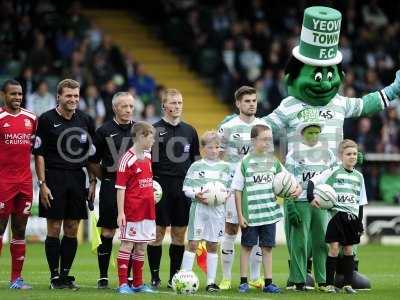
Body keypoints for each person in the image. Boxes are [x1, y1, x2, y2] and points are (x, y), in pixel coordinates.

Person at [33, 79, 96, 290]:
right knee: (54, 227)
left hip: (78, 178)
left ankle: (65, 276)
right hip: (54, 178)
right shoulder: (46, 119)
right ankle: (54, 276)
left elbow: (90, 156)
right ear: (58, 96)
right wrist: (42, 183)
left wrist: (93, 181)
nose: (73, 99)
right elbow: (39, 154)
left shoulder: (86, 120)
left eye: (76, 96)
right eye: (69, 95)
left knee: (72, 228)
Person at [231, 124, 301, 294]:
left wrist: (296, 189)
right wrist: (240, 215)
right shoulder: (244, 163)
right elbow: (237, 191)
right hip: (251, 215)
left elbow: (288, 179)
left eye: (270, 139)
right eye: (264, 139)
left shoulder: (273, 161)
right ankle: (243, 282)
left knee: (267, 248)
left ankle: (268, 282)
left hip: (269, 214)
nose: (268, 142)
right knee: (247, 247)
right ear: (253, 140)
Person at [147, 88, 200, 288]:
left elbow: (196, 162)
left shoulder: (190, 131)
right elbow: (147, 162)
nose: (177, 106)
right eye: (173, 103)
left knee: (179, 234)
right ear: (164, 106)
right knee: (158, 233)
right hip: (160, 188)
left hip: (183, 188)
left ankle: (174, 277)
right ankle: (154, 276)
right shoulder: (153, 130)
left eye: (180, 103)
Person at [218, 86, 268, 290]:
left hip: (257, 187)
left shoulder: (264, 126)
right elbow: (218, 158)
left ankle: (255, 277)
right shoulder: (228, 126)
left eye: (254, 100)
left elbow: (267, 157)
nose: (252, 104)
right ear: (238, 103)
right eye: (247, 101)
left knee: (256, 230)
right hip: (233, 187)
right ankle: (226, 277)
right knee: (231, 229)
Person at [308, 139, 367, 294]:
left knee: (348, 250)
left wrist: (360, 223)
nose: (352, 157)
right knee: (334, 248)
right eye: (348, 154)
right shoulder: (333, 172)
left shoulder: (359, 177)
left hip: (352, 219)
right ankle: (328, 284)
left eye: (354, 154)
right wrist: (311, 198)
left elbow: (360, 202)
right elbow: (313, 181)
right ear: (341, 156)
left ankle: (347, 284)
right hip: (337, 217)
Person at [88, 92, 135, 288]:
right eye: (124, 106)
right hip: (111, 185)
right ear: (115, 108)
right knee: (108, 231)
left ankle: (129, 276)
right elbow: (91, 160)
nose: (128, 110)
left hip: (134, 189)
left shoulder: (140, 130)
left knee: (132, 233)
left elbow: (150, 160)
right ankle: (103, 275)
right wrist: (106, 179)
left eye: (131, 106)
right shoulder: (103, 131)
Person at [285, 121, 336, 291]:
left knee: (321, 241)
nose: (314, 136)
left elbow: (332, 177)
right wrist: (290, 205)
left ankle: (322, 281)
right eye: (310, 133)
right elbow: (288, 181)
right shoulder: (293, 154)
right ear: (302, 133)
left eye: (316, 133)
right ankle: (299, 281)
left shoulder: (328, 153)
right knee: (299, 242)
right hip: (300, 201)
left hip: (320, 203)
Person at [181, 131, 231, 292]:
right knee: (193, 243)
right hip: (199, 208)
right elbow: (186, 188)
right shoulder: (196, 166)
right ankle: (185, 278)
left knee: (213, 244)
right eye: (210, 147)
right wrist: (196, 194)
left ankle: (210, 282)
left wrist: (224, 195)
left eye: (217, 147)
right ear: (203, 149)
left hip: (217, 211)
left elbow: (230, 189)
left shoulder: (226, 167)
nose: (214, 150)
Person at [0, 79, 37, 289]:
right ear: (4, 95)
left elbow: (35, 149)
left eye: (20, 94)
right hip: (3, 182)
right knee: (0, 228)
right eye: (13, 94)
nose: (17, 98)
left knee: (20, 229)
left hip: (24, 182)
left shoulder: (31, 119)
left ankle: (16, 279)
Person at [115, 121, 156, 294]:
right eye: (151, 136)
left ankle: (138, 283)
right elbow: (120, 188)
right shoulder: (127, 159)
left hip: (148, 210)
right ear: (141, 136)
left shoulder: (147, 156)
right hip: (132, 211)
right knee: (127, 245)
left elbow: (147, 182)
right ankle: (123, 284)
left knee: (141, 246)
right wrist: (121, 213)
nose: (153, 140)